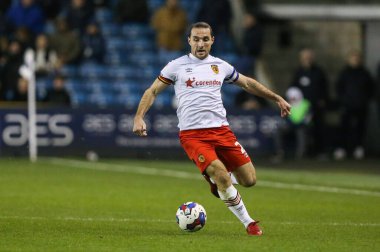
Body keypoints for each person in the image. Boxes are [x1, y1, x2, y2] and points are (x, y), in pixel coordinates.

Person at [132, 22, 291, 235]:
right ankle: (249, 223)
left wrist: (276, 97)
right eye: (196, 39)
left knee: (249, 180)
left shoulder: (220, 66)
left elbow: (248, 83)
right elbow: (152, 91)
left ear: (212, 40)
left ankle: (217, 181)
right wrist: (139, 117)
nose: (200, 43)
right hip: (193, 135)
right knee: (223, 176)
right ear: (189, 40)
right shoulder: (176, 66)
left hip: (222, 131)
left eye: (205, 39)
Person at [333, 51, 374, 160]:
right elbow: (339, 88)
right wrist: (343, 100)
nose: (355, 60)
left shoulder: (365, 73)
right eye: (353, 58)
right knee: (344, 127)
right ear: (349, 60)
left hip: (361, 106)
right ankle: (342, 148)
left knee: (360, 128)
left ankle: (358, 149)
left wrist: (365, 100)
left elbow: (371, 88)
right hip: (347, 105)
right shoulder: (344, 73)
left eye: (357, 58)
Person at [290, 48, 329, 158]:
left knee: (319, 128)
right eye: (305, 57)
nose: (307, 59)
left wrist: (324, 100)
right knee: (305, 130)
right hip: (302, 109)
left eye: (309, 57)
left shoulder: (319, 71)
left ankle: (321, 152)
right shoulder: (298, 72)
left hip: (316, 106)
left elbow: (324, 88)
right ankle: (306, 152)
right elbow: (293, 89)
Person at [151, 0, 187, 65]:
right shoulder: (160, 13)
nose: (173, 2)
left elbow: (184, 28)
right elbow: (154, 26)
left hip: (176, 47)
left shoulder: (181, 14)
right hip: (163, 46)